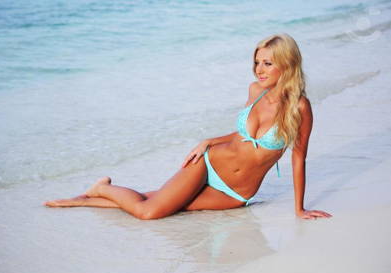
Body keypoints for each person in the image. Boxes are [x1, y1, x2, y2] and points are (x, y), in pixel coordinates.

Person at [44, 33, 332, 221]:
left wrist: (299, 209)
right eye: (257, 62)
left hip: (236, 193)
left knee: (160, 203)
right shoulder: (254, 89)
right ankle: (98, 190)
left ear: (287, 64)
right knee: (149, 211)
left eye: (268, 63)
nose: (259, 69)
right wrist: (209, 141)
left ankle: (88, 198)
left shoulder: (300, 108)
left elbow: (298, 157)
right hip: (209, 163)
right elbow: (244, 137)